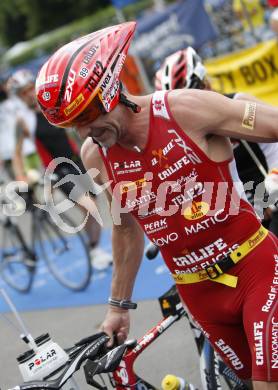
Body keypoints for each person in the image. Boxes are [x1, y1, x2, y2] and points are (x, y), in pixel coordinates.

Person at [36, 22, 278, 388]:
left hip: (253, 271)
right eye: (72, 124)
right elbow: (124, 227)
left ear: (111, 91)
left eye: (85, 117)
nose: (83, 132)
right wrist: (118, 306)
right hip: (198, 293)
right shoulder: (95, 155)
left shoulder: (187, 109)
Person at [154, 46, 278, 236]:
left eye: (191, 101)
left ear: (206, 84)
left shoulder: (239, 105)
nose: (186, 114)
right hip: (235, 211)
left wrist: (271, 187)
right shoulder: (174, 134)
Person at [8, 69, 112, 270]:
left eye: (31, 89)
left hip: (77, 160)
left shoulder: (53, 105)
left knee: (93, 205)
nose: (29, 94)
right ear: (19, 98)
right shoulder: (23, 120)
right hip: (57, 170)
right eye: (23, 93)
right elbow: (17, 152)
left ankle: (94, 248)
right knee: (89, 205)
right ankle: (95, 251)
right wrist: (21, 175)